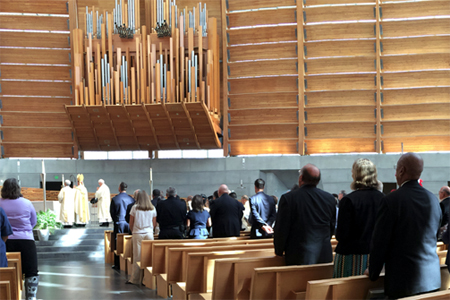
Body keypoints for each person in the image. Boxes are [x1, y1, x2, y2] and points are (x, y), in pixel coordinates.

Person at [368, 153, 442, 298]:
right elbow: (435, 234)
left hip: (404, 281)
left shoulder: (391, 200)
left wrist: (373, 272)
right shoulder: (433, 199)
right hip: (432, 279)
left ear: (401, 171)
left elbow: (380, 241)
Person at [274, 164, 336, 266]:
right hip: (324, 255)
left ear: (301, 178)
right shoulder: (329, 198)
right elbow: (331, 226)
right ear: (318, 181)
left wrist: (279, 251)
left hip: (298, 256)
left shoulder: (289, 198)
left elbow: (281, 228)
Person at [333, 158, 384, 278]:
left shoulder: (348, 200)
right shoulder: (383, 199)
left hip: (350, 256)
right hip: (375, 256)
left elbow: (341, 235)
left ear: (356, 175)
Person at [0, 178, 39, 300]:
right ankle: (31, 297)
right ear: (18, 188)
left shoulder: (0, 203)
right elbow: (34, 221)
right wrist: (24, 231)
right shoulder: (27, 203)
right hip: (26, 241)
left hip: (6, 241)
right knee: (31, 270)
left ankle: (9, 294)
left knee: (6, 270)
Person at [127, 190, 157, 285]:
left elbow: (131, 223)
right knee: (149, 256)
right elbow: (154, 223)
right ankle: (148, 279)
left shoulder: (135, 208)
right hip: (149, 234)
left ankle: (135, 279)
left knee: (137, 257)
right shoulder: (152, 208)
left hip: (138, 234)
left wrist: (133, 231)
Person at [110, 182, 135, 270]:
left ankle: (118, 264)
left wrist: (116, 220)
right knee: (128, 241)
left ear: (119, 188)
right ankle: (128, 262)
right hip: (129, 223)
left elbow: (112, 213)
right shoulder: (131, 199)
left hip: (119, 222)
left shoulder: (115, 199)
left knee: (118, 243)